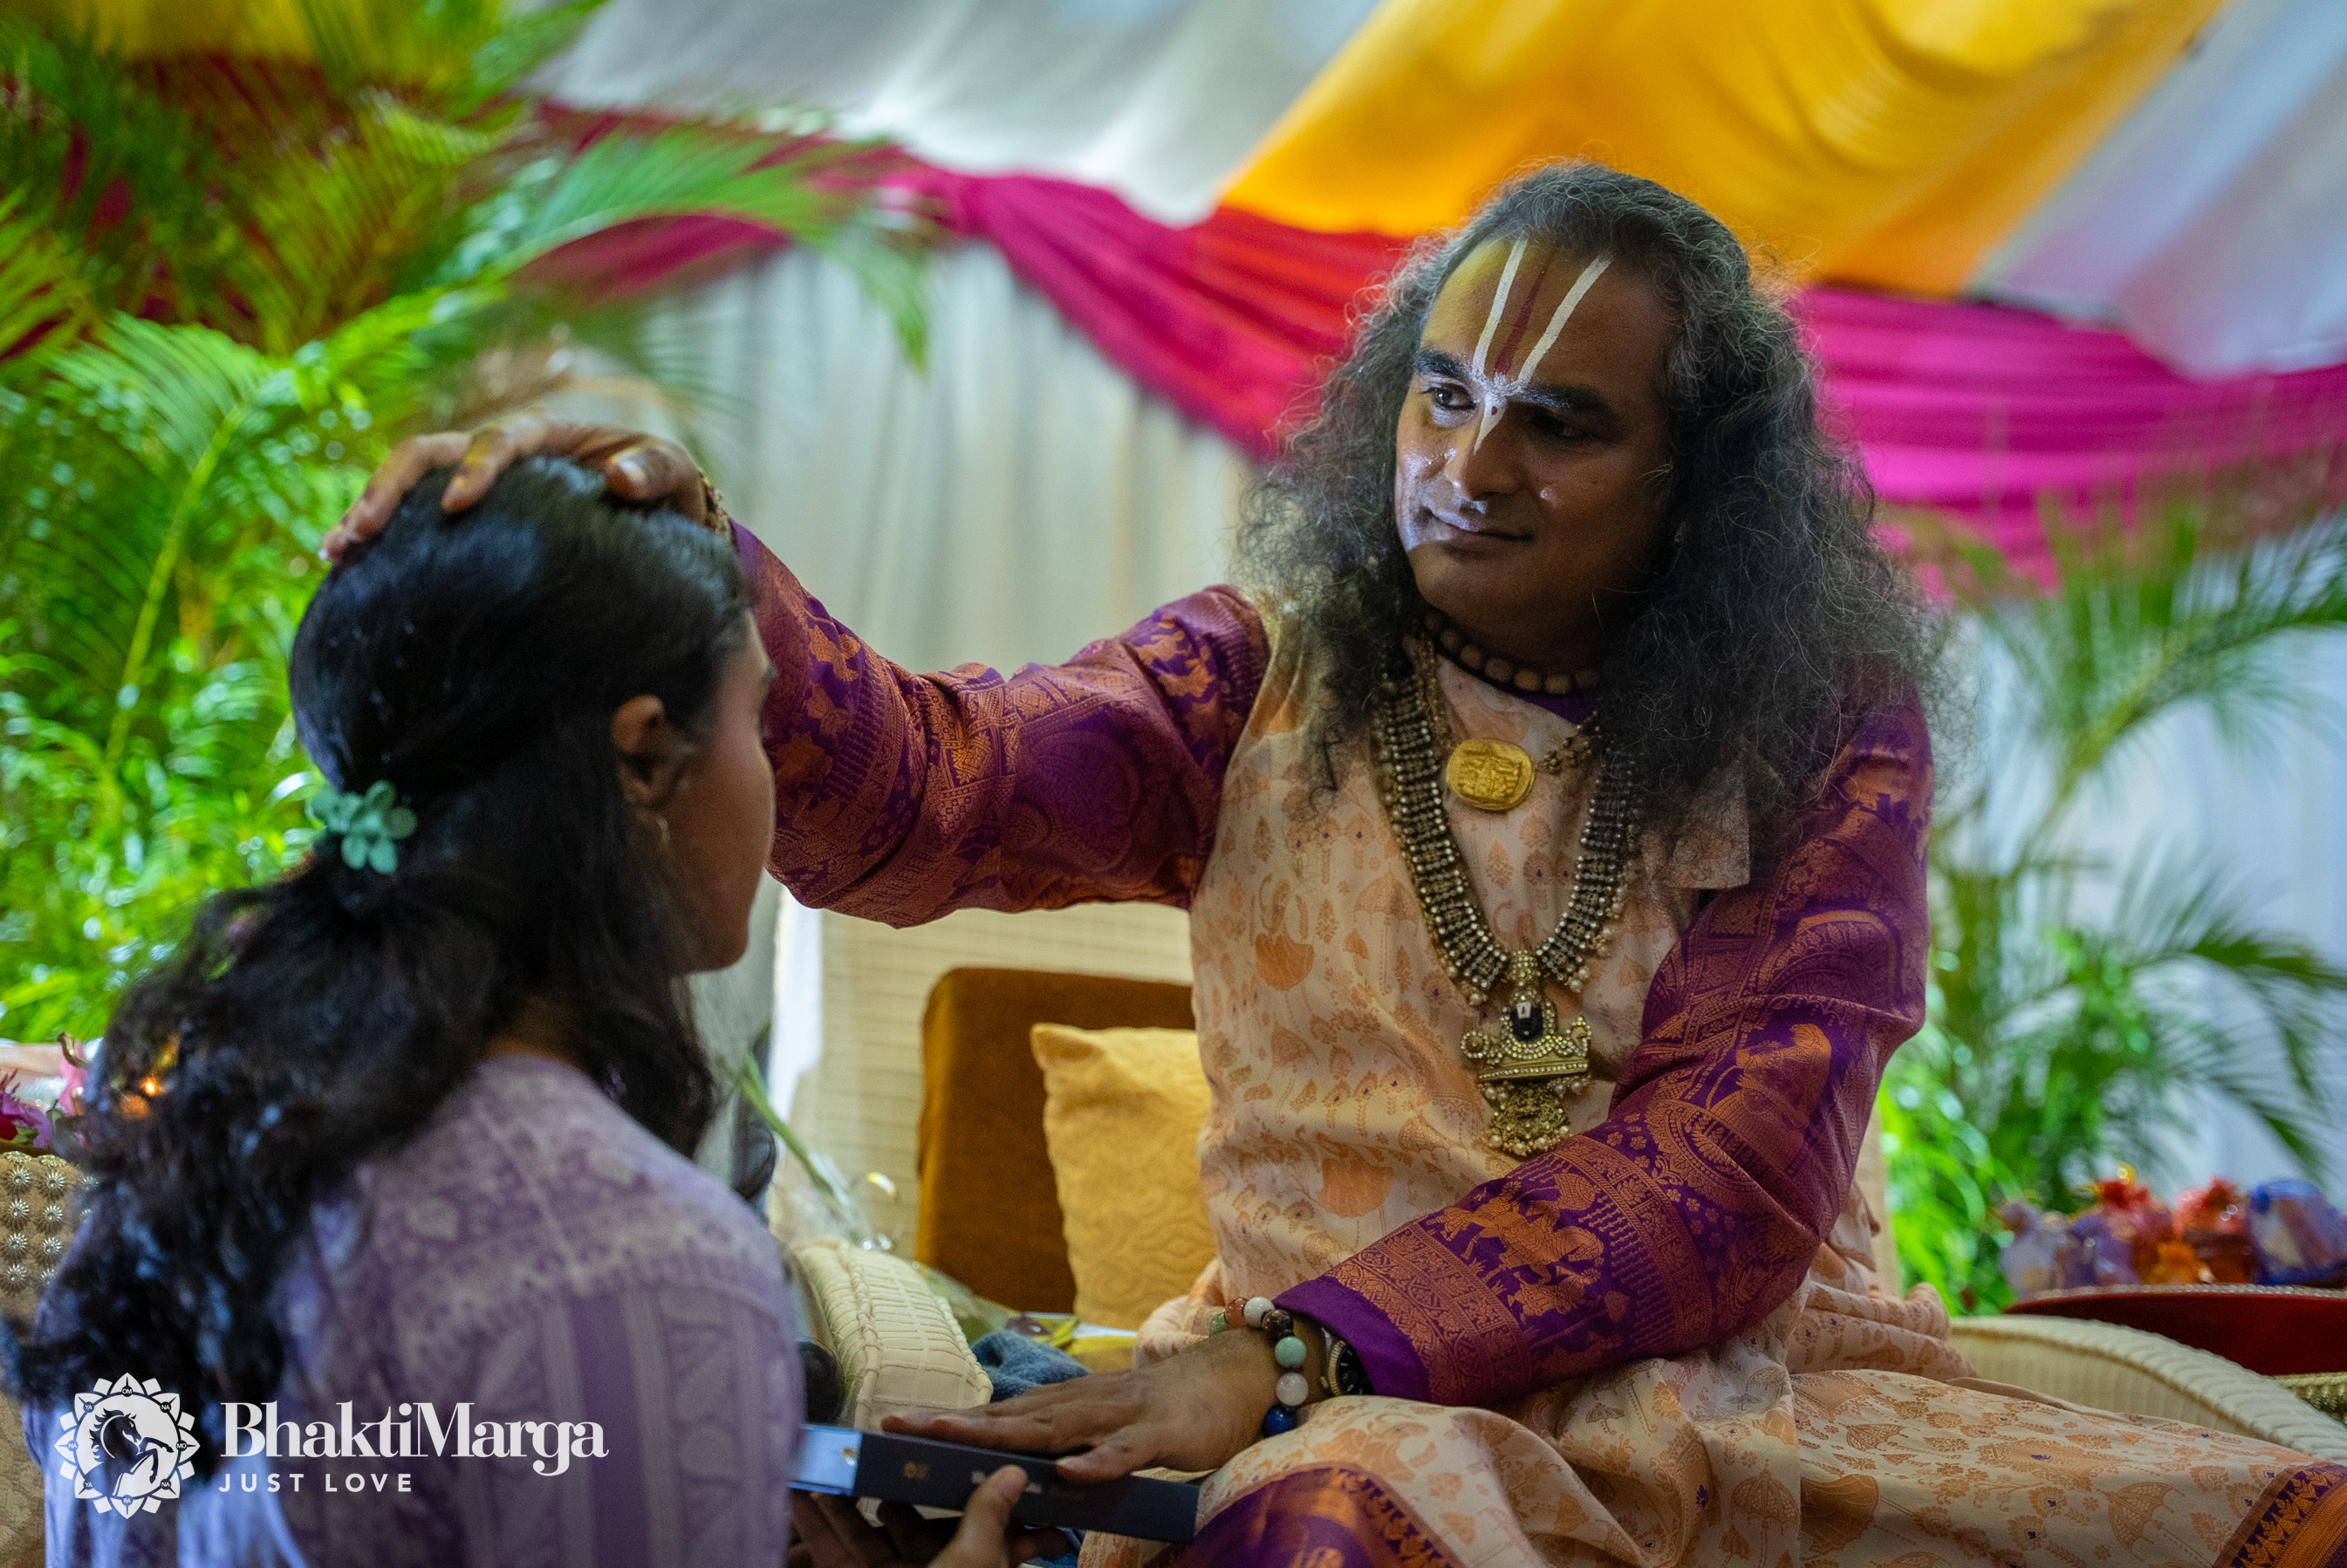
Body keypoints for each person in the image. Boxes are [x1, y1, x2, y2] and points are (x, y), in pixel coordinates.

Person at [339, 166, 2345, 1568]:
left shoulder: (1822, 735)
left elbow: (1722, 1184)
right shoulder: (1255, 677)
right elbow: (934, 790)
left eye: (1554, 425)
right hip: (1331, 1402)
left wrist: (1293, 1353)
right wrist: (698, 548)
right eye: (1442, 392)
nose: (1462, 464)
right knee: (1336, 1523)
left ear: (1698, 490)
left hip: (1738, 1384)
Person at [6, 461, 1039, 1567]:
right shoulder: (639, 1267)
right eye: (756, 719)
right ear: (645, 758)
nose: (776, 790)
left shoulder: (176, 1164)